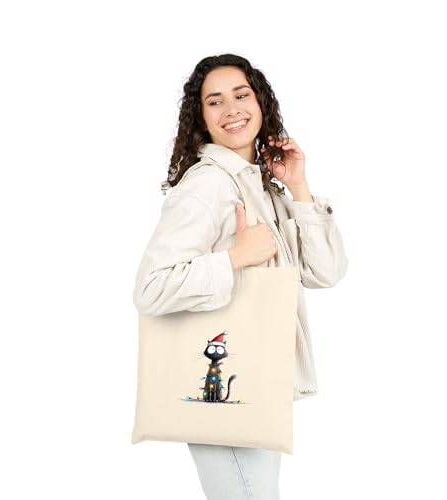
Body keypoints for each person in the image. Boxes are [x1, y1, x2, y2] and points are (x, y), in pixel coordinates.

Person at [132, 53, 349, 500]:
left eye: (241, 95)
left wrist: (299, 188)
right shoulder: (207, 185)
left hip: (258, 380)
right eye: (215, 102)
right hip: (227, 388)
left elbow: (325, 272)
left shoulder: (261, 185)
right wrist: (234, 258)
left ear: (261, 103)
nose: (231, 109)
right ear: (201, 118)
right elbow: (151, 288)